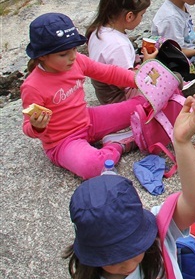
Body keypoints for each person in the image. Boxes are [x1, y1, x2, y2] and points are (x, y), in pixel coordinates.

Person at [63, 94, 195, 279]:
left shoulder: (156, 234)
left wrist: (181, 142)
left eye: (135, 248)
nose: (129, 263)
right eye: (115, 259)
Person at [21, 13, 148, 180]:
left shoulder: (77, 61)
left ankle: (110, 139)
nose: (72, 56)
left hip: (89, 120)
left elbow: (108, 73)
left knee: (143, 105)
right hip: (63, 141)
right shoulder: (33, 86)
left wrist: (137, 80)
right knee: (95, 167)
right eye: (63, 54)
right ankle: (118, 145)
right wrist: (37, 127)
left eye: (74, 49)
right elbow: (27, 128)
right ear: (43, 56)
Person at [86, 0, 155, 104]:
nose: (142, 18)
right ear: (129, 16)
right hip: (121, 100)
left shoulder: (97, 30)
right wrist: (147, 64)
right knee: (171, 78)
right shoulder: (118, 45)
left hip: (106, 96)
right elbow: (126, 83)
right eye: (141, 15)